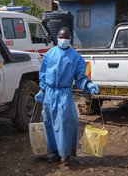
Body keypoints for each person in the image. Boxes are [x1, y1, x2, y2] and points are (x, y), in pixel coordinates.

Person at [35, 27, 99, 163]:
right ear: (57, 37)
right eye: (60, 36)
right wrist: (42, 90)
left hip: (64, 93)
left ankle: (66, 153)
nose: (62, 39)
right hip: (49, 93)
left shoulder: (75, 57)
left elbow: (80, 77)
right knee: (49, 122)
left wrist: (88, 85)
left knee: (66, 122)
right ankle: (53, 153)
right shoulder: (50, 54)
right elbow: (44, 74)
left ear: (69, 39)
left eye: (65, 37)